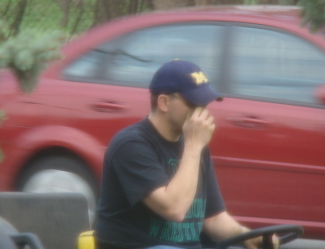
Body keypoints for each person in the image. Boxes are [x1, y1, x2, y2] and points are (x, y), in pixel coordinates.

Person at [95, 60, 278, 249]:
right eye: (194, 104)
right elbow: (173, 209)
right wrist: (193, 146)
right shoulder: (131, 144)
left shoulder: (195, 144)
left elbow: (213, 219)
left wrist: (247, 236)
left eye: (205, 104)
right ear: (164, 102)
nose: (202, 112)